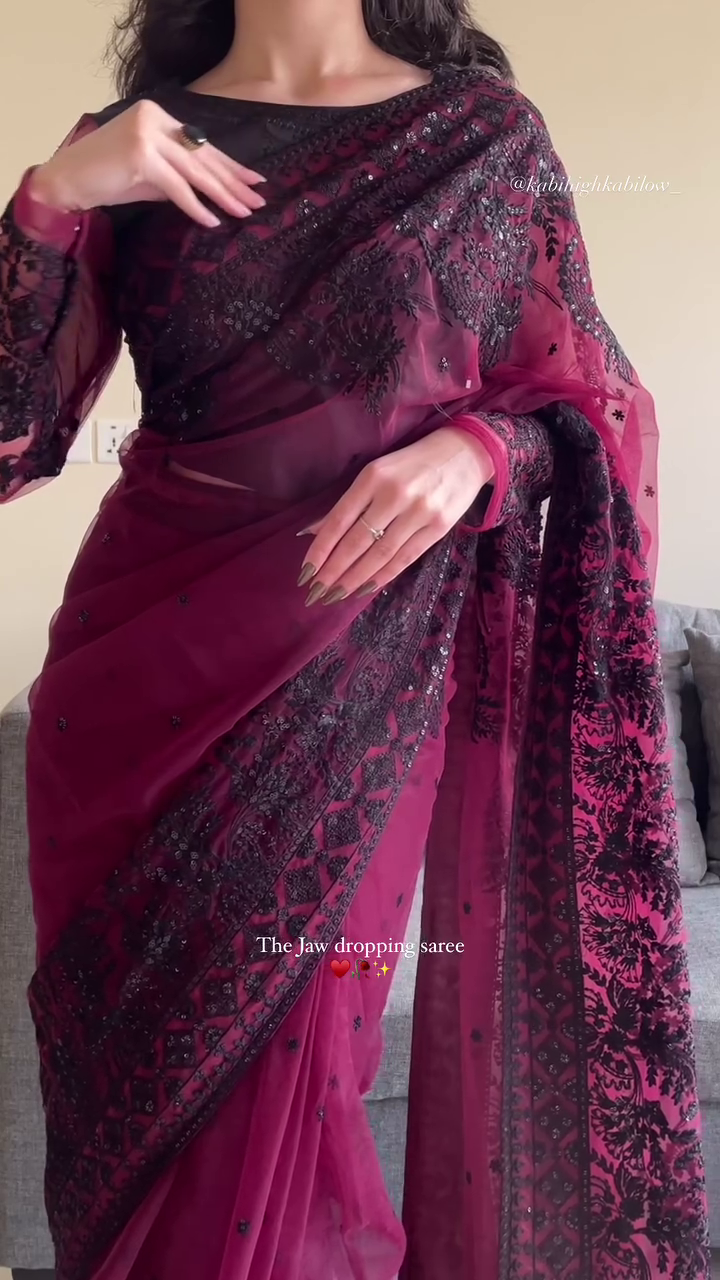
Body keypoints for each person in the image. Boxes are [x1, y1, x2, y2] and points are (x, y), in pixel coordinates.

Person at [0, 0, 710, 1277]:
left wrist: (479, 446)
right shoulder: (133, 144)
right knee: (122, 1115)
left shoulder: (478, 136)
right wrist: (52, 197)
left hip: (359, 676)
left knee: (311, 1070)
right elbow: (11, 443)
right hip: (124, 685)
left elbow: (593, 403)